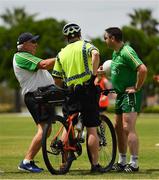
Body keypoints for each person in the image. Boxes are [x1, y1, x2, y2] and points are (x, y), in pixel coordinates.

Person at [52, 23, 105, 173]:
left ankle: (63, 164)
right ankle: (95, 165)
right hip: (87, 89)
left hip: (70, 91)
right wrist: (94, 75)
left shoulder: (61, 53)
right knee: (91, 128)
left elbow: (56, 78)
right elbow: (95, 55)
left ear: (66, 37)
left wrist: (65, 87)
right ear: (79, 34)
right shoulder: (85, 45)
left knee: (68, 124)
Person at [103, 27, 147, 172]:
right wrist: (103, 72)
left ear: (113, 38)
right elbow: (118, 71)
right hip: (120, 94)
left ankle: (134, 163)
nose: (105, 40)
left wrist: (137, 87)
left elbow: (142, 69)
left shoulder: (127, 51)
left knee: (128, 127)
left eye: (106, 37)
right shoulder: (115, 53)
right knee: (118, 127)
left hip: (130, 95)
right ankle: (122, 161)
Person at [13, 32, 55, 173]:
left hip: (42, 95)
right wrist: (63, 57)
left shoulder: (27, 56)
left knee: (47, 130)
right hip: (37, 96)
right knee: (43, 130)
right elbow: (44, 65)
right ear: (24, 45)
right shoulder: (21, 56)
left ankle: (28, 161)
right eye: (33, 42)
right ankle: (26, 161)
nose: (36, 44)